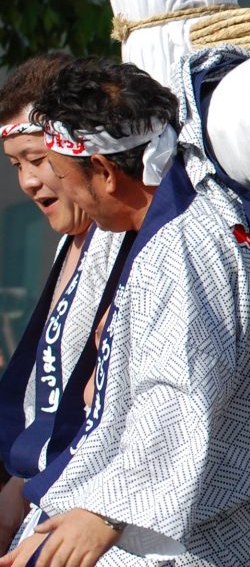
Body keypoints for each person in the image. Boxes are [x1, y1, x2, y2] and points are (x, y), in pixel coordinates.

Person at [1, 52, 250, 567]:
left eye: (56, 169)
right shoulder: (223, 208)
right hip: (218, 521)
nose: (44, 183)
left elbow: (177, 390)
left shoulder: (181, 243)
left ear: (104, 170)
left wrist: (102, 514)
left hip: (197, 538)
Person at [0, 53, 110, 550]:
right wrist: (19, 490)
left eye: (38, 159)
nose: (27, 181)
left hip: (98, 516)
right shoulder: (71, 241)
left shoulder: (133, 242)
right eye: (16, 165)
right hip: (48, 499)